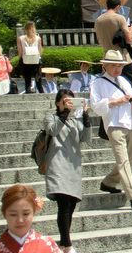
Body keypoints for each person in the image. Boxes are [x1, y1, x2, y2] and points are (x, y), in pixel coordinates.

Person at [90, 49, 132, 210]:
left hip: (131, 123)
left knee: (131, 159)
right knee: (123, 160)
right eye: (113, 65)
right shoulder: (97, 83)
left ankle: (109, 182)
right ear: (105, 66)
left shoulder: (124, 80)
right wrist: (115, 101)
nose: (116, 69)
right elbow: (96, 107)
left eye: (119, 65)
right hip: (114, 124)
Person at [44, 89, 92, 253]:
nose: (68, 103)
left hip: (73, 164)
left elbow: (86, 138)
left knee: (70, 205)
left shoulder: (75, 120)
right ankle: (67, 244)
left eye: (71, 101)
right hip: (56, 164)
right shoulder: (51, 117)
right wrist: (64, 114)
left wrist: (86, 119)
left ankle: (63, 244)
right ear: (58, 103)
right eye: (65, 101)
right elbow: (52, 131)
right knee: (63, 203)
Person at [94, 0, 132, 104]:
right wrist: (131, 31)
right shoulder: (119, 18)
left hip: (107, 57)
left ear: (106, 5)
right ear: (118, 6)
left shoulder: (98, 20)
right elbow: (129, 39)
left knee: (109, 84)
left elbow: (99, 40)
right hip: (121, 57)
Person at [0, 184, 60, 253]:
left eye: (26, 214)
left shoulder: (47, 245)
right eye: (13, 214)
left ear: (33, 212)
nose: (20, 220)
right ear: (4, 214)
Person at [17, 21, 43, 94]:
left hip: (26, 60)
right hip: (36, 60)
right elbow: (40, 50)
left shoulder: (20, 38)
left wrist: (20, 59)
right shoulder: (38, 38)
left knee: (27, 78)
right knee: (38, 77)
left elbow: (20, 51)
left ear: (25, 29)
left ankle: (28, 91)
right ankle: (41, 91)